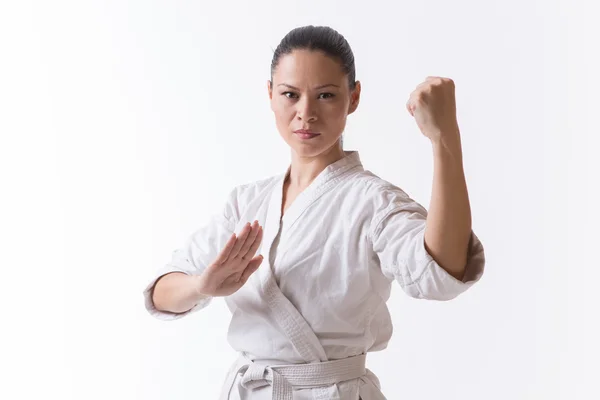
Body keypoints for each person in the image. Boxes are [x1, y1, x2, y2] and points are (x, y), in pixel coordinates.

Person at [143, 25, 485, 400]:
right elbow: (162, 291)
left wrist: (444, 138)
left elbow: (441, 270)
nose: (305, 113)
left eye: (326, 95)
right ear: (270, 95)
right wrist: (200, 286)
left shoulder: (373, 202)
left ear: (353, 98)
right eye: (290, 94)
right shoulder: (247, 203)